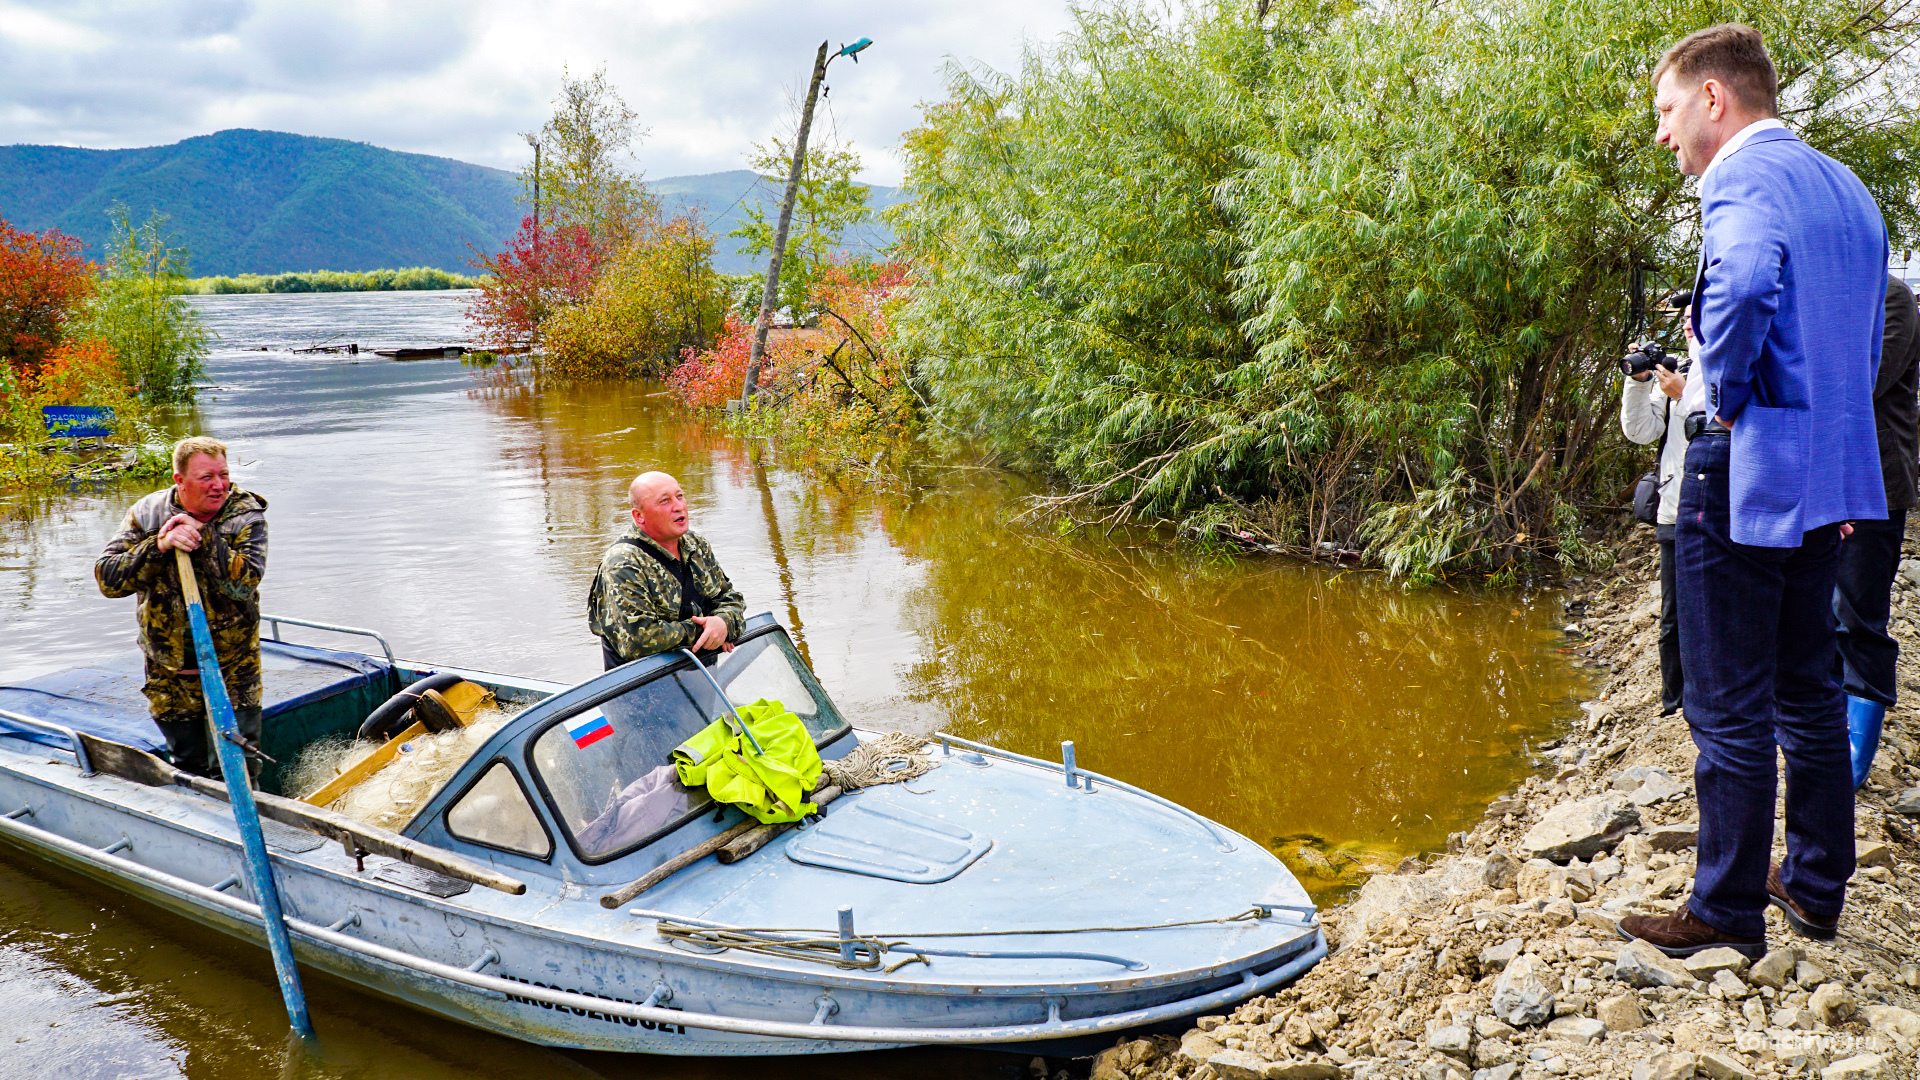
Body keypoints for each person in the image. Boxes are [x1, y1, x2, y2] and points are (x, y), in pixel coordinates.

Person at [1620, 24, 1889, 958]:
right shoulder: (1849, 188)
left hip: (1740, 469)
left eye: (1665, 111)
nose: (1662, 136)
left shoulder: (1740, 176)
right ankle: (1814, 887)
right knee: (1808, 689)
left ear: (1713, 99)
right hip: (1824, 476)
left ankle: (1724, 911)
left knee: (1726, 702)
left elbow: (1738, 285)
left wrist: (1714, 396)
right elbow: (1867, 338)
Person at [95, 436, 270, 780]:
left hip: (232, 666)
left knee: (239, 768)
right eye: (207, 477)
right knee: (187, 766)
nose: (219, 485)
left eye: (224, 474)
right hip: (167, 670)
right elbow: (107, 579)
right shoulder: (147, 513)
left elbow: (244, 582)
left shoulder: (246, 516)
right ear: (180, 480)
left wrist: (202, 539)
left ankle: (248, 826)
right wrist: (157, 546)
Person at [1835, 274, 1920, 788]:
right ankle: (1822, 735)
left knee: (1858, 616)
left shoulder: (1890, 297)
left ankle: (1852, 760)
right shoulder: (1833, 292)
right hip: (1825, 482)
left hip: (1875, 484)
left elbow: (1864, 381)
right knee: (1818, 613)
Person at [588, 471, 745, 668]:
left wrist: (723, 623)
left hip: (705, 682)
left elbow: (731, 599)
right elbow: (638, 641)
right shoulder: (623, 563)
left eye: (679, 496)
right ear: (639, 516)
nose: (679, 506)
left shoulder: (696, 545)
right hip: (642, 690)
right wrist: (708, 632)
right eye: (665, 501)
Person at [1618, 311, 1694, 714]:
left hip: (1722, 512)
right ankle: (1674, 700)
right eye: (1683, 317)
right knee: (1672, 615)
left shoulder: (1724, 367)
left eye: (1695, 315)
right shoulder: (1674, 371)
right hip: (1674, 510)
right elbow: (1640, 432)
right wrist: (1639, 382)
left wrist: (1685, 394)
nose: (1687, 323)